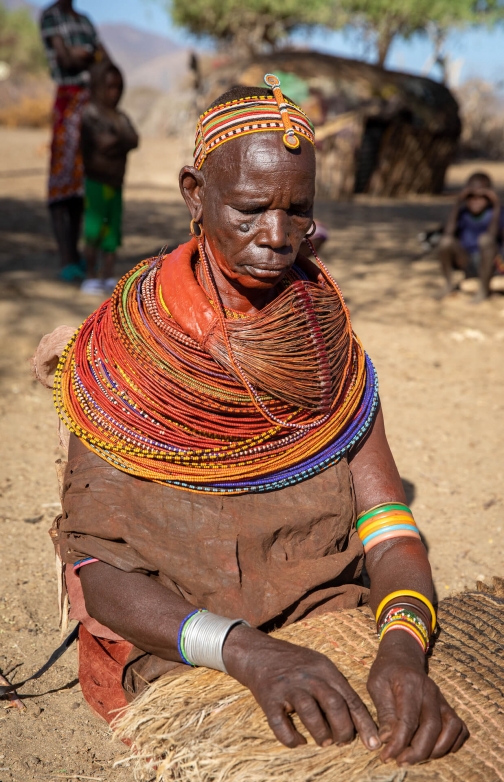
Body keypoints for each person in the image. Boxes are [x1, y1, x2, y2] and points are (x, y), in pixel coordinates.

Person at [47, 74, 467, 766]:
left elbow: (389, 529)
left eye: (298, 211)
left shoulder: (329, 349)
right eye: (248, 210)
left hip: (325, 619)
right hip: (185, 640)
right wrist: (248, 652)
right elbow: (102, 575)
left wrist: (401, 649)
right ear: (195, 193)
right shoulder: (125, 352)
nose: (277, 238)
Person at [40, 0, 107, 281]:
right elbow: (66, 60)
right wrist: (88, 56)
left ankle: (77, 254)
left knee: (83, 182)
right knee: (62, 179)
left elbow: (103, 59)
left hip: (90, 103)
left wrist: (85, 54)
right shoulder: (50, 16)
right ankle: (66, 257)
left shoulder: (85, 20)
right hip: (67, 103)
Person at [80, 61, 139, 295]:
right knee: (94, 229)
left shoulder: (119, 116)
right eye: (109, 88)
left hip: (116, 183)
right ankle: (90, 274)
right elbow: (104, 143)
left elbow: (133, 139)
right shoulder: (90, 114)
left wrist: (116, 139)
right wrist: (119, 139)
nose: (114, 93)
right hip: (96, 182)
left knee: (112, 231)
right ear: (96, 87)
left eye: (118, 88)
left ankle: (107, 274)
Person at [438, 171, 504, 301]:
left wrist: (496, 205)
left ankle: (484, 290)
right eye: (471, 196)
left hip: (490, 263)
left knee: (485, 240)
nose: (475, 201)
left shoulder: (497, 213)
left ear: (489, 196)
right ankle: (448, 285)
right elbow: (448, 233)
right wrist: (457, 203)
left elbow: (491, 236)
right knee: (446, 241)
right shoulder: (463, 213)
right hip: (467, 260)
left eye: (481, 196)